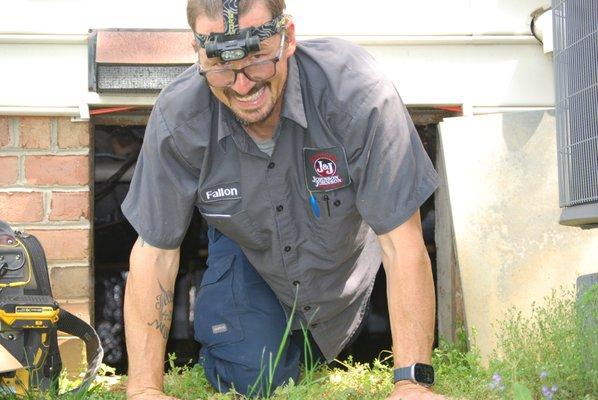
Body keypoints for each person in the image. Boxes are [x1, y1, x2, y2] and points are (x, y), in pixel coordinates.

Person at [121, 0, 445, 399]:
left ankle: (313, 343)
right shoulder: (179, 119)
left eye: (257, 59)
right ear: (198, 54)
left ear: (287, 37)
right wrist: (143, 390)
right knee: (257, 376)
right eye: (221, 67)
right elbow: (155, 253)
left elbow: (402, 241)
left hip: (340, 256)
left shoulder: (357, 92)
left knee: (318, 345)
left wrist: (413, 382)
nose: (242, 86)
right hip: (249, 250)